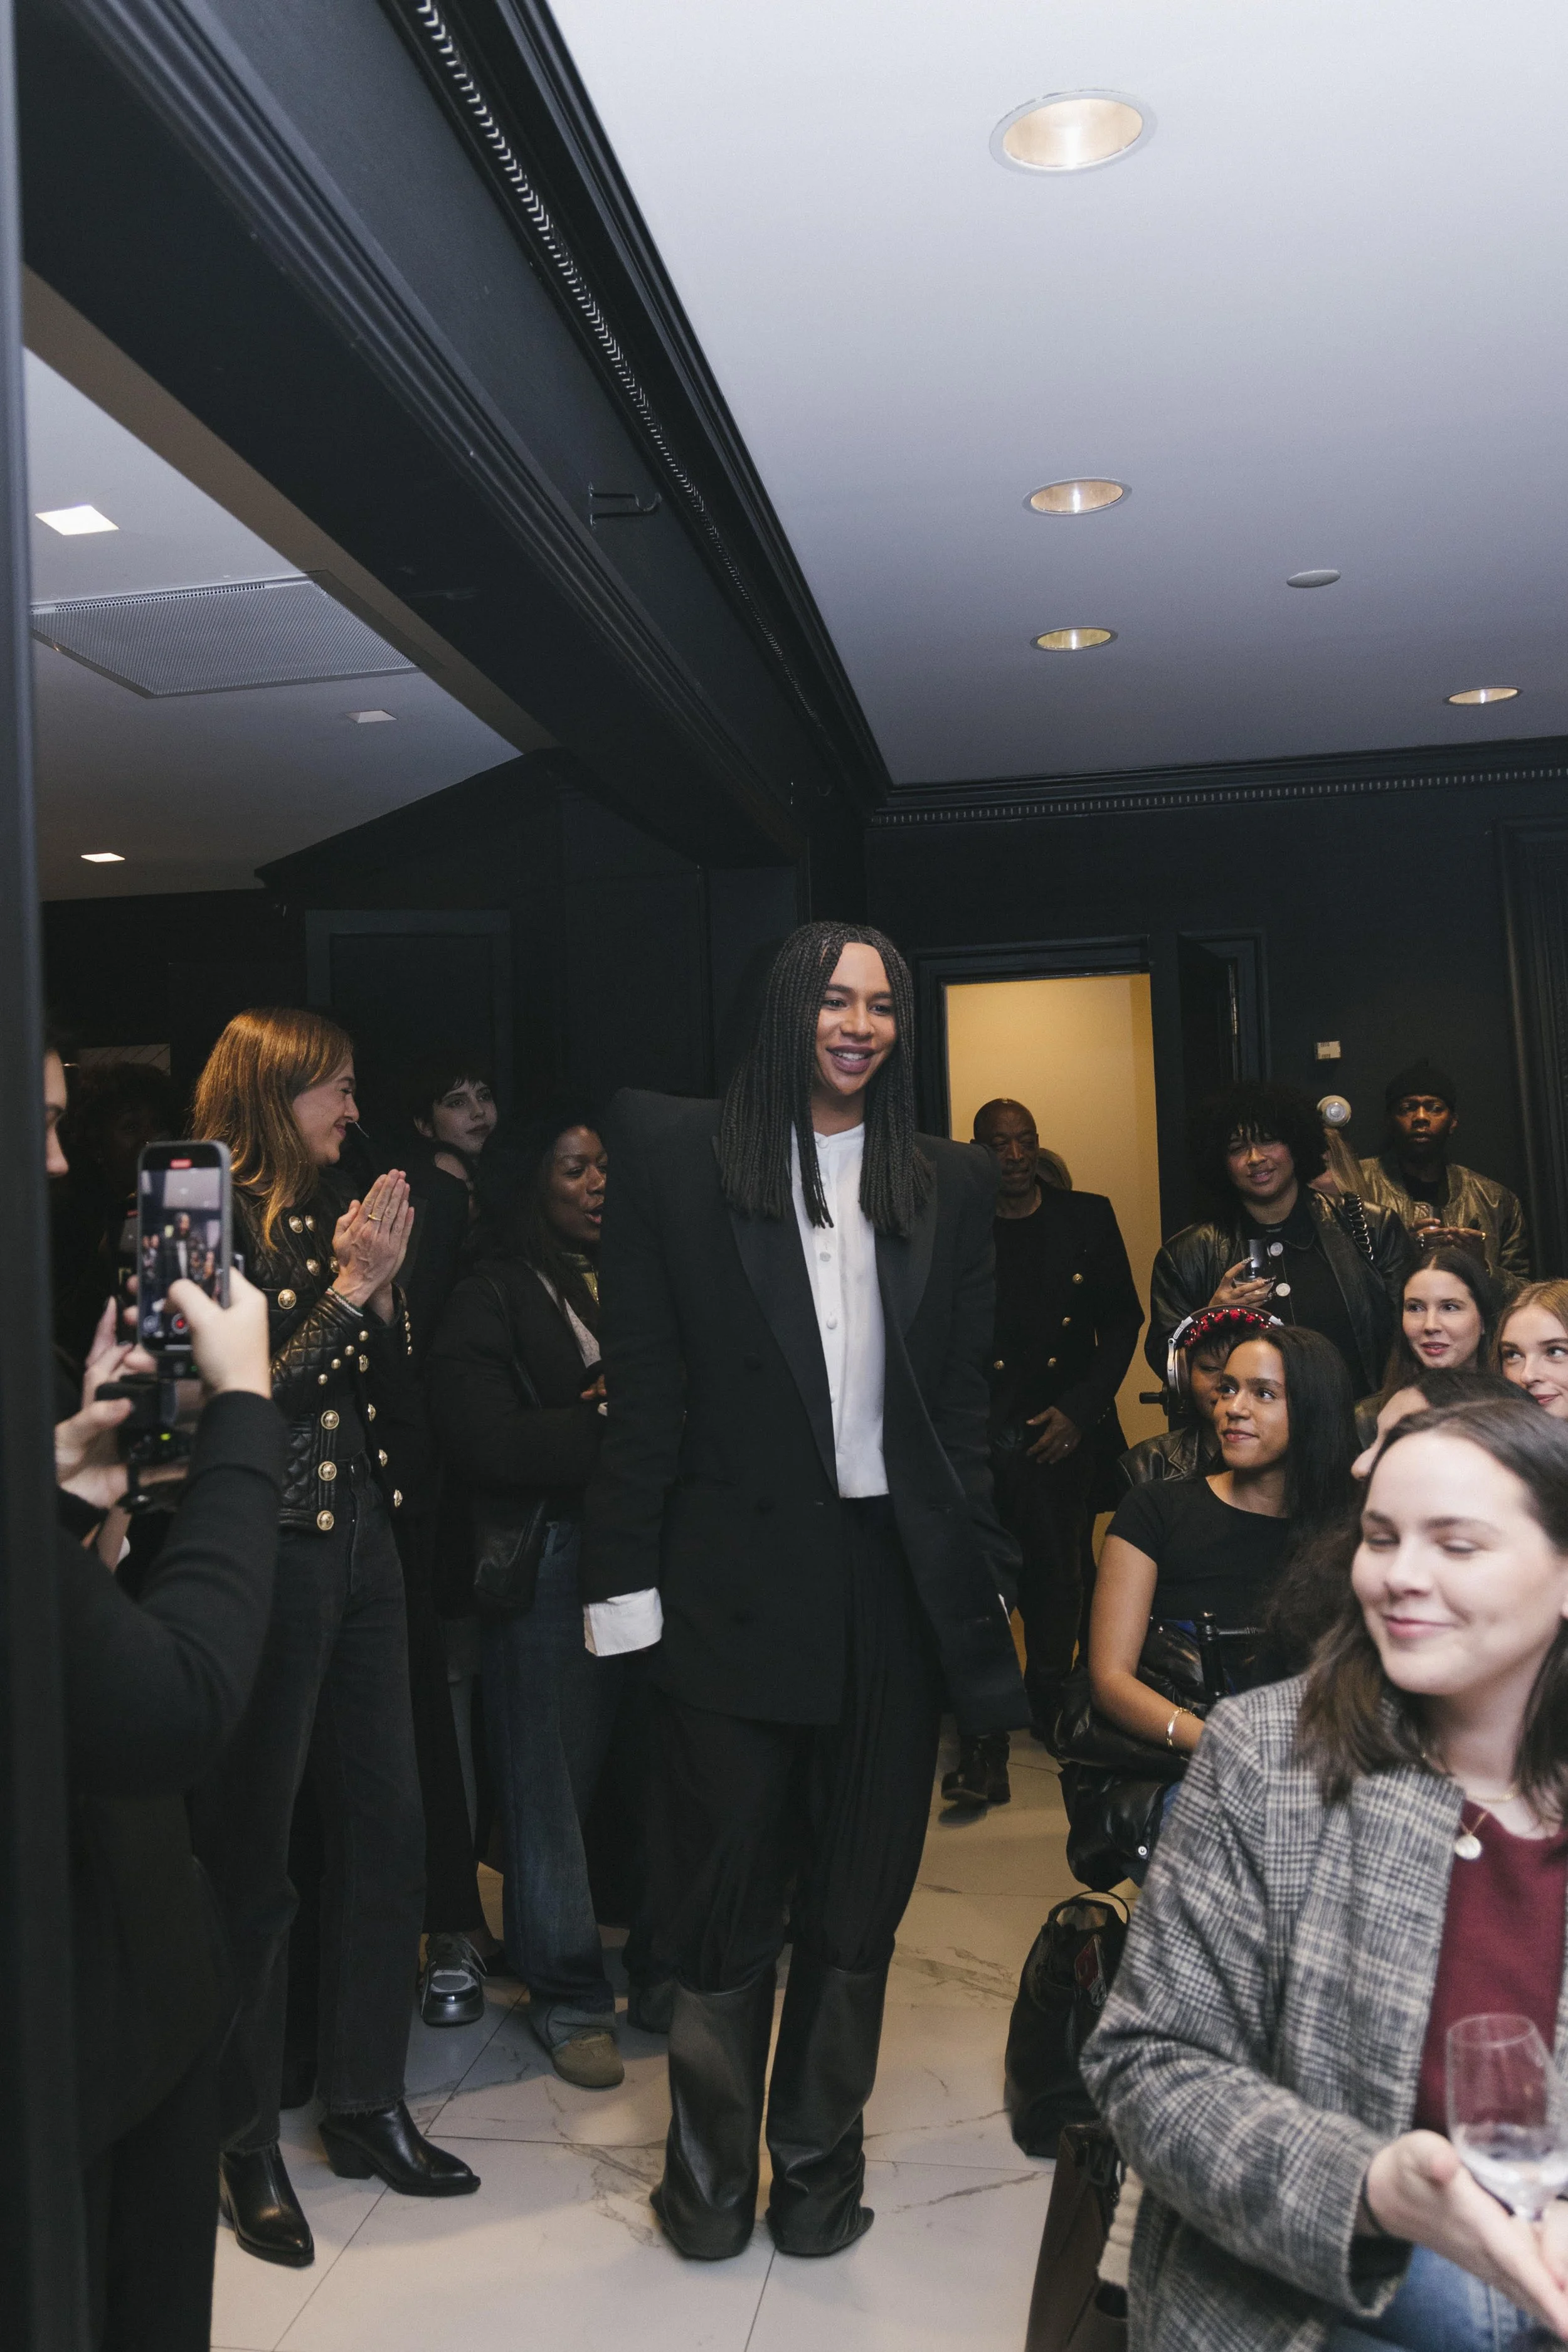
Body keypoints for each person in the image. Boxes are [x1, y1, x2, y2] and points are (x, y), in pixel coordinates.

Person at [580, 920, 1027, 2262]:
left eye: (882, 1007)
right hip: (723, 1585)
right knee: (722, 1895)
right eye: (834, 1000)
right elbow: (645, 1395)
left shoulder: (941, 1179)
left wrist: (981, 1578)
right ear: (786, 1011)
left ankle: (819, 2173)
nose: (859, 1025)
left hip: (888, 1585)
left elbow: (957, 1412)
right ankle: (709, 2184)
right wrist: (623, 1583)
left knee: (855, 1899)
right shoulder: (677, 1154)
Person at [1083, 1399, 1568, 2349]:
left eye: (1457, 1544)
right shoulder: (1270, 1758)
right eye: (1380, 1538)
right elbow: (1147, 2063)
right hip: (1316, 2285)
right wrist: (1370, 2187)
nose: (1400, 1577)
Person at [187, 1008, 477, 2270]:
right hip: (264, 1551)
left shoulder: (347, 1205)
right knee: (256, 1850)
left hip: (367, 1543)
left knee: (391, 1831)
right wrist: (359, 1290)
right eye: (338, 1093)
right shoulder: (194, 1210)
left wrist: (376, 1284)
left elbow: (380, 1392)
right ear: (275, 1089)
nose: (354, 1113)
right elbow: (228, 1403)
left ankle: (364, 2103)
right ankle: (243, 2139)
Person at [43, 1028, 285, 2352]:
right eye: (37, 1122)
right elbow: (175, 1704)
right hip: (85, 2024)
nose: (63, 1159)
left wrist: (71, 1483)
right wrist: (242, 1405)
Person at [430, 1110, 667, 2085]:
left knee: (660, 1768)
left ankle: (662, 1969)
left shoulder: (645, 1275)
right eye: (576, 1168)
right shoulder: (493, 1290)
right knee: (547, 1785)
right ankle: (567, 1994)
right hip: (552, 1559)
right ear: (536, 1183)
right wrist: (607, 1424)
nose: (599, 1183)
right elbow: (481, 1438)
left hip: (655, 1546)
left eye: (607, 1165)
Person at [946, 1096, 1141, 1803]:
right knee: (983, 1586)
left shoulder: (1085, 1217)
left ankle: (1053, 1700)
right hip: (979, 1433)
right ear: (977, 1151)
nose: (1015, 1156)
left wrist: (1080, 1413)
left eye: (1025, 1141)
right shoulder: (957, 1227)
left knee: (1059, 1579)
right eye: (999, 1144)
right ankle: (983, 1739)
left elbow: (1123, 1322)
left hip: (1063, 1429)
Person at [1091, 1326, 1355, 1761]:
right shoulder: (1155, 1509)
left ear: (1314, 1410)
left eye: (1264, 1394)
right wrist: (1220, 1745)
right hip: (1190, 1760)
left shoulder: (1350, 1528)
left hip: (1321, 1762)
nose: (1233, 1408)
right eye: (1228, 1389)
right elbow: (1110, 1681)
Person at [1148, 1079, 1412, 1398]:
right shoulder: (1187, 1254)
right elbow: (1167, 1363)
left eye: (1269, 1141)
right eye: (1237, 1149)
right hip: (1246, 1433)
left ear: (1297, 1145)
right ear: (1220, 1163)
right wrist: (1209, 1319)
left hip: (1358, 1430)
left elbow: (1409, 1336)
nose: (1255, 1158)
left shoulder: (1372, 1227)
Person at [50, 1054, 179, 1365]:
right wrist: (105, 1259)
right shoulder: (69, 1213)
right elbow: (59, 1329)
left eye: (158, 1125)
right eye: (131, 1127)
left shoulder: (178, 1206)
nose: (151, 1140)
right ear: (96, 1144)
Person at [1357, 1059, 1530, 1285]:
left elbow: (1522, 1295)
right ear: (1389, 1121)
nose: (1421, 1117)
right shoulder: (1355, 1186)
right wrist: (1400, 1256)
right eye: (1407, 1108)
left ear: (1453, 1122)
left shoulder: (1496, 1202)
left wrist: (1481, 1268)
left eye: (1435, 1108)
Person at [1117, 1305, 1278, 1489]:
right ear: (1183, 1376)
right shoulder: (1148, 1464)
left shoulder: (1303, 1463)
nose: (1225, 1385)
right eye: (1210, 1369)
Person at [1354, 1248, 1503, 1446]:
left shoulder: (1520, 1407)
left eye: (1450, 1307)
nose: (1430, 1325)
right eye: (1415, 1308)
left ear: (1483, 1320)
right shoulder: (1369, 1419)